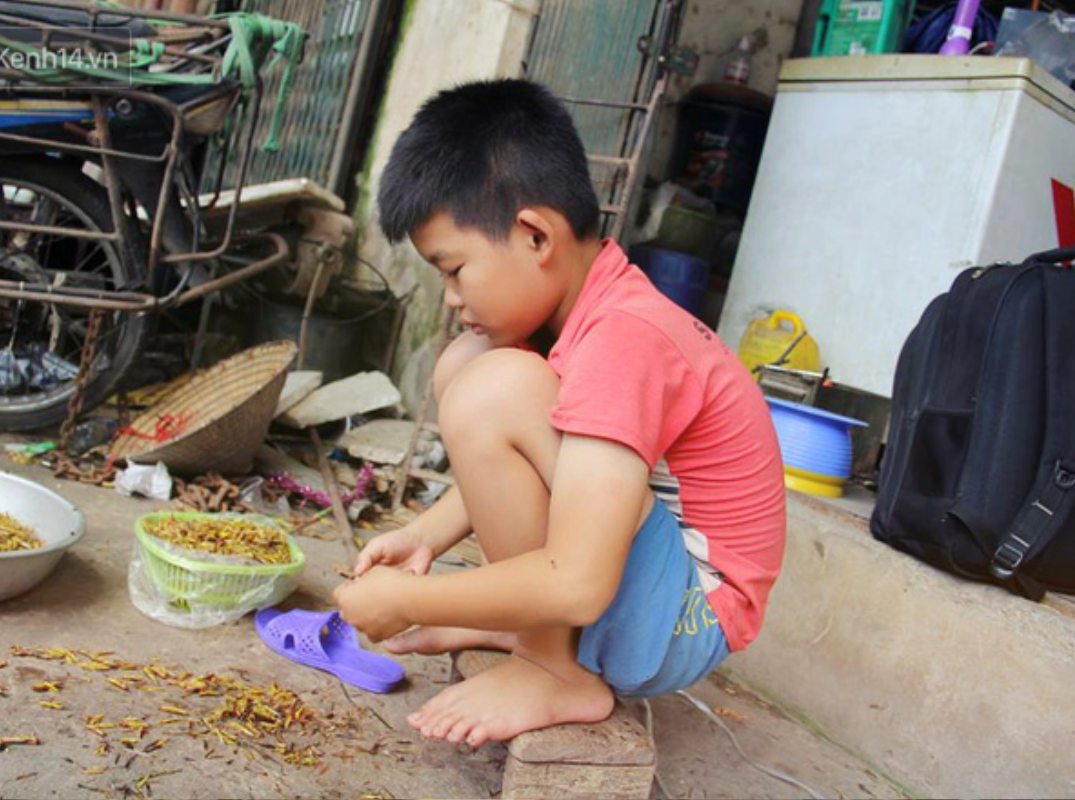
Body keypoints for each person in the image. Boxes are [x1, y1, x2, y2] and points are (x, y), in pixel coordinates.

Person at [333, 78, 785, 749]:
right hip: (652, 583)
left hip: (684, 617)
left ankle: (552, 665)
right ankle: (532, 633)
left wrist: (408, 599)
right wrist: (429, 535)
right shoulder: (595, 311)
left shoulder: (623, 342)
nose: (452, 296)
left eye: (455, 270)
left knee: (494, 387)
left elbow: (577, 581)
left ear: (535, 235)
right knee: (471, 362)